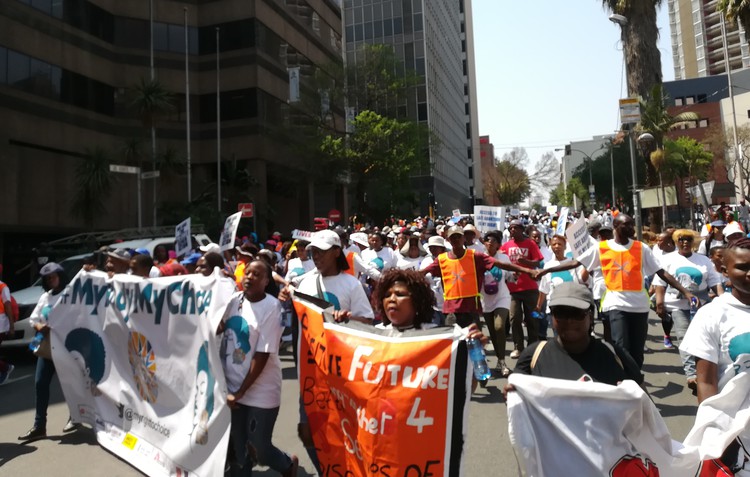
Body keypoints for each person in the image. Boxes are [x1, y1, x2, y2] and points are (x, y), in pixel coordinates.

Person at [538, 214, 696, 369]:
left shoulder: (641, 248)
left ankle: (634, 381)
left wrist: (686, 292)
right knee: (621, 347)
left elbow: (662, 272)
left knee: (637, 351)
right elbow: (574, 263)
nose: (631, 228)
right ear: (615, 227)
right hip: (616, 305)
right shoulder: (601, 248)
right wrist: (546, 271)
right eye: (626, 225)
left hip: (639, 306)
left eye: (631, 224)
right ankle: (625, 382)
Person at [280, 229, 374, 473]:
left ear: (336, 252)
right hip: (312, 371)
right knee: (308, 431)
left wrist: (349, 318)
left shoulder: (351, 284)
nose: (316, 256)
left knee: (345, 429)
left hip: (343, 373)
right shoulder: (306, 282)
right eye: (313, 252)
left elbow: (368, 321)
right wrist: (284, 296)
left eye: (321, 252)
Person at [220, 259, 298, 477]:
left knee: (259, 447)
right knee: (238, 446)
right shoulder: (234, 301)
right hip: (233, 388)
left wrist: (241, 392)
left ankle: (286, 464)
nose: (249, 277)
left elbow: (263, 355)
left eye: (256, 275)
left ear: (266, 282)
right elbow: (220, 329)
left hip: (260, 390)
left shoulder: (272, 308)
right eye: (247, 273)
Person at [680, 238, 750, 473]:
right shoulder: (712, 315)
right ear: (724, 270)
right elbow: (707, 382)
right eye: (742, 267)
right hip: (737, 433)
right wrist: (719, 437)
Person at [508, 282, 642, 386]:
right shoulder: (534, 356)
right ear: (552, 316)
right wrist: (512, 394)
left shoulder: (616, 356)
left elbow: (646, 408)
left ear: (590, 317)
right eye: (561, 313)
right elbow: (517, 402)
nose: (569, 320)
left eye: (577, 314)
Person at [421, 225, 536, 330]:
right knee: (456, 347)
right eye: (453, 237)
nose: (456, 239)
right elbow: (423, 272)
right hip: (451, 311)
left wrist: (526, 270)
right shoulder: (441, 259)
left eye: (458, 236)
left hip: (471, 309)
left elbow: (500, 264)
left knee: (474, 345)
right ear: (448, 240)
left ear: (464, 239)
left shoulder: (475, 256)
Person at [653, 229, 723, 391]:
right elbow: (660, 283)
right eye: (681, 240)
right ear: (676, 242)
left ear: (693, 242)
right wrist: (660, 302)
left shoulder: (704, 260)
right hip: (678, 306)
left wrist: (722, 299)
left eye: (688, 240)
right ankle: (692, 374)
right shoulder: (667, 260)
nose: (685, 243)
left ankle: (708, 372)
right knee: (685, 337)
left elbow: (714, 281)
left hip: (702, 306)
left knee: (706, 338)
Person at [18, 263, 77, 441]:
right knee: (40, 384)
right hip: (47, 349)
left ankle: (76, 417)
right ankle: (39, 426)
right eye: (47, 278)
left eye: (53, 276)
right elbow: (34, 319)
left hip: (66, 349)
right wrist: (38, 326)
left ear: (61, 275)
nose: (50, 280)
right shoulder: (45, 297)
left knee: (71, 385)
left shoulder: (70, 294)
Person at [501, 219, 545, 358]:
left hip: (530, 288)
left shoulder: (530, 244)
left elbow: (538, 262)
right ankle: (518, 347)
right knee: (515, 318)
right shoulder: (505, 246)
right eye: (510, 228)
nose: (512, 230)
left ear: (521, 229)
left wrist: (525, 262)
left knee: (532, 320)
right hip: (512, 289)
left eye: (515, 228)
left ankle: (532, 347)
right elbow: (501, 263)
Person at [481, 230, 514, 378]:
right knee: (493, 333)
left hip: (502, 297)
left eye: (493, 241)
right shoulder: (478, 258)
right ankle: (500, 361)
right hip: (485, 300)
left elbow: (511, 278)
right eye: (487, 240)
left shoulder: (504, 258)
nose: (490, 242)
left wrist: (517, 274)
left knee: (499, 326)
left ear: (499, 245)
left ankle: (503, 362)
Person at [0, 269, 17, 385]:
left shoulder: (2, 287)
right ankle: (5, 367)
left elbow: (8, 305)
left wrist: (11, 326)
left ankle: (6, 368)